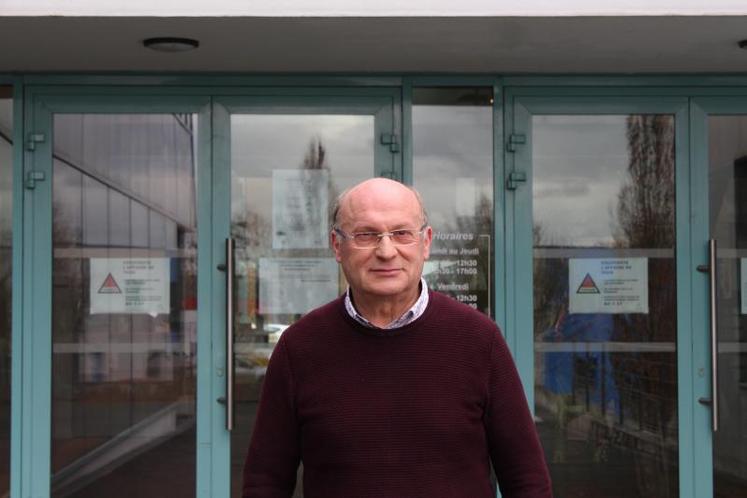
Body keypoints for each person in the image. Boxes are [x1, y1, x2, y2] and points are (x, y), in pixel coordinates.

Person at [243, 178, 552, 498]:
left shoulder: (478, 340)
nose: (386, 251)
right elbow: (265, 482)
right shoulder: (300, 348)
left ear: (426, 242)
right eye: (366, 235)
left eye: (402, 233)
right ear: (337, 246)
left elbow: (527, 480)